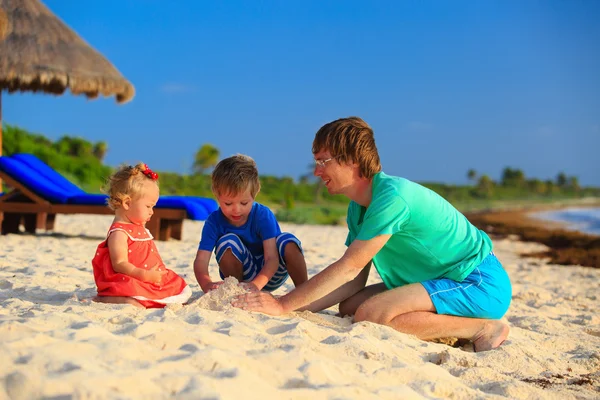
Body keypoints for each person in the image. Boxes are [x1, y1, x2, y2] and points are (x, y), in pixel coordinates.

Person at [233, 117, 512, 352]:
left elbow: (348, 268)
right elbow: (353, 280)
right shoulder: (358, 208)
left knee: (370, 315)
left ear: (352, 160)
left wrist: (281, 305)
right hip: (434, 279)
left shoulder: (393, 197)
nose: (317, 171)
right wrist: (289, 308)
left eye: (323, 161)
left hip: (475, 281)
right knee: (351, 306)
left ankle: (483, 327)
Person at [193, 154, 308, 293]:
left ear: (255, 194)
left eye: (244, 203)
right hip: (240, 278)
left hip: (270, 273)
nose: (236, 210)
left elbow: (272, 258)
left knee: (287, 240)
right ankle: (236, 292)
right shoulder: (214, 221)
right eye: (228, 203)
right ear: (217, 195)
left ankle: (304, 291)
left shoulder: (262, 215)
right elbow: (201, 260)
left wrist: (256, 285)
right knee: (228, 242)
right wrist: (206, 284)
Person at [92, 163, 192, 308]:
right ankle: (106, 298)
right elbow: (119, 264)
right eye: (148, 206)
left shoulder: (137, 225)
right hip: (129, 277)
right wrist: (143, 275)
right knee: (132, 297)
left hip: (148, 276)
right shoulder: (119, 233)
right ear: (127, 203)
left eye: (153, 207)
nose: (152, 212)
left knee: (175, 286)